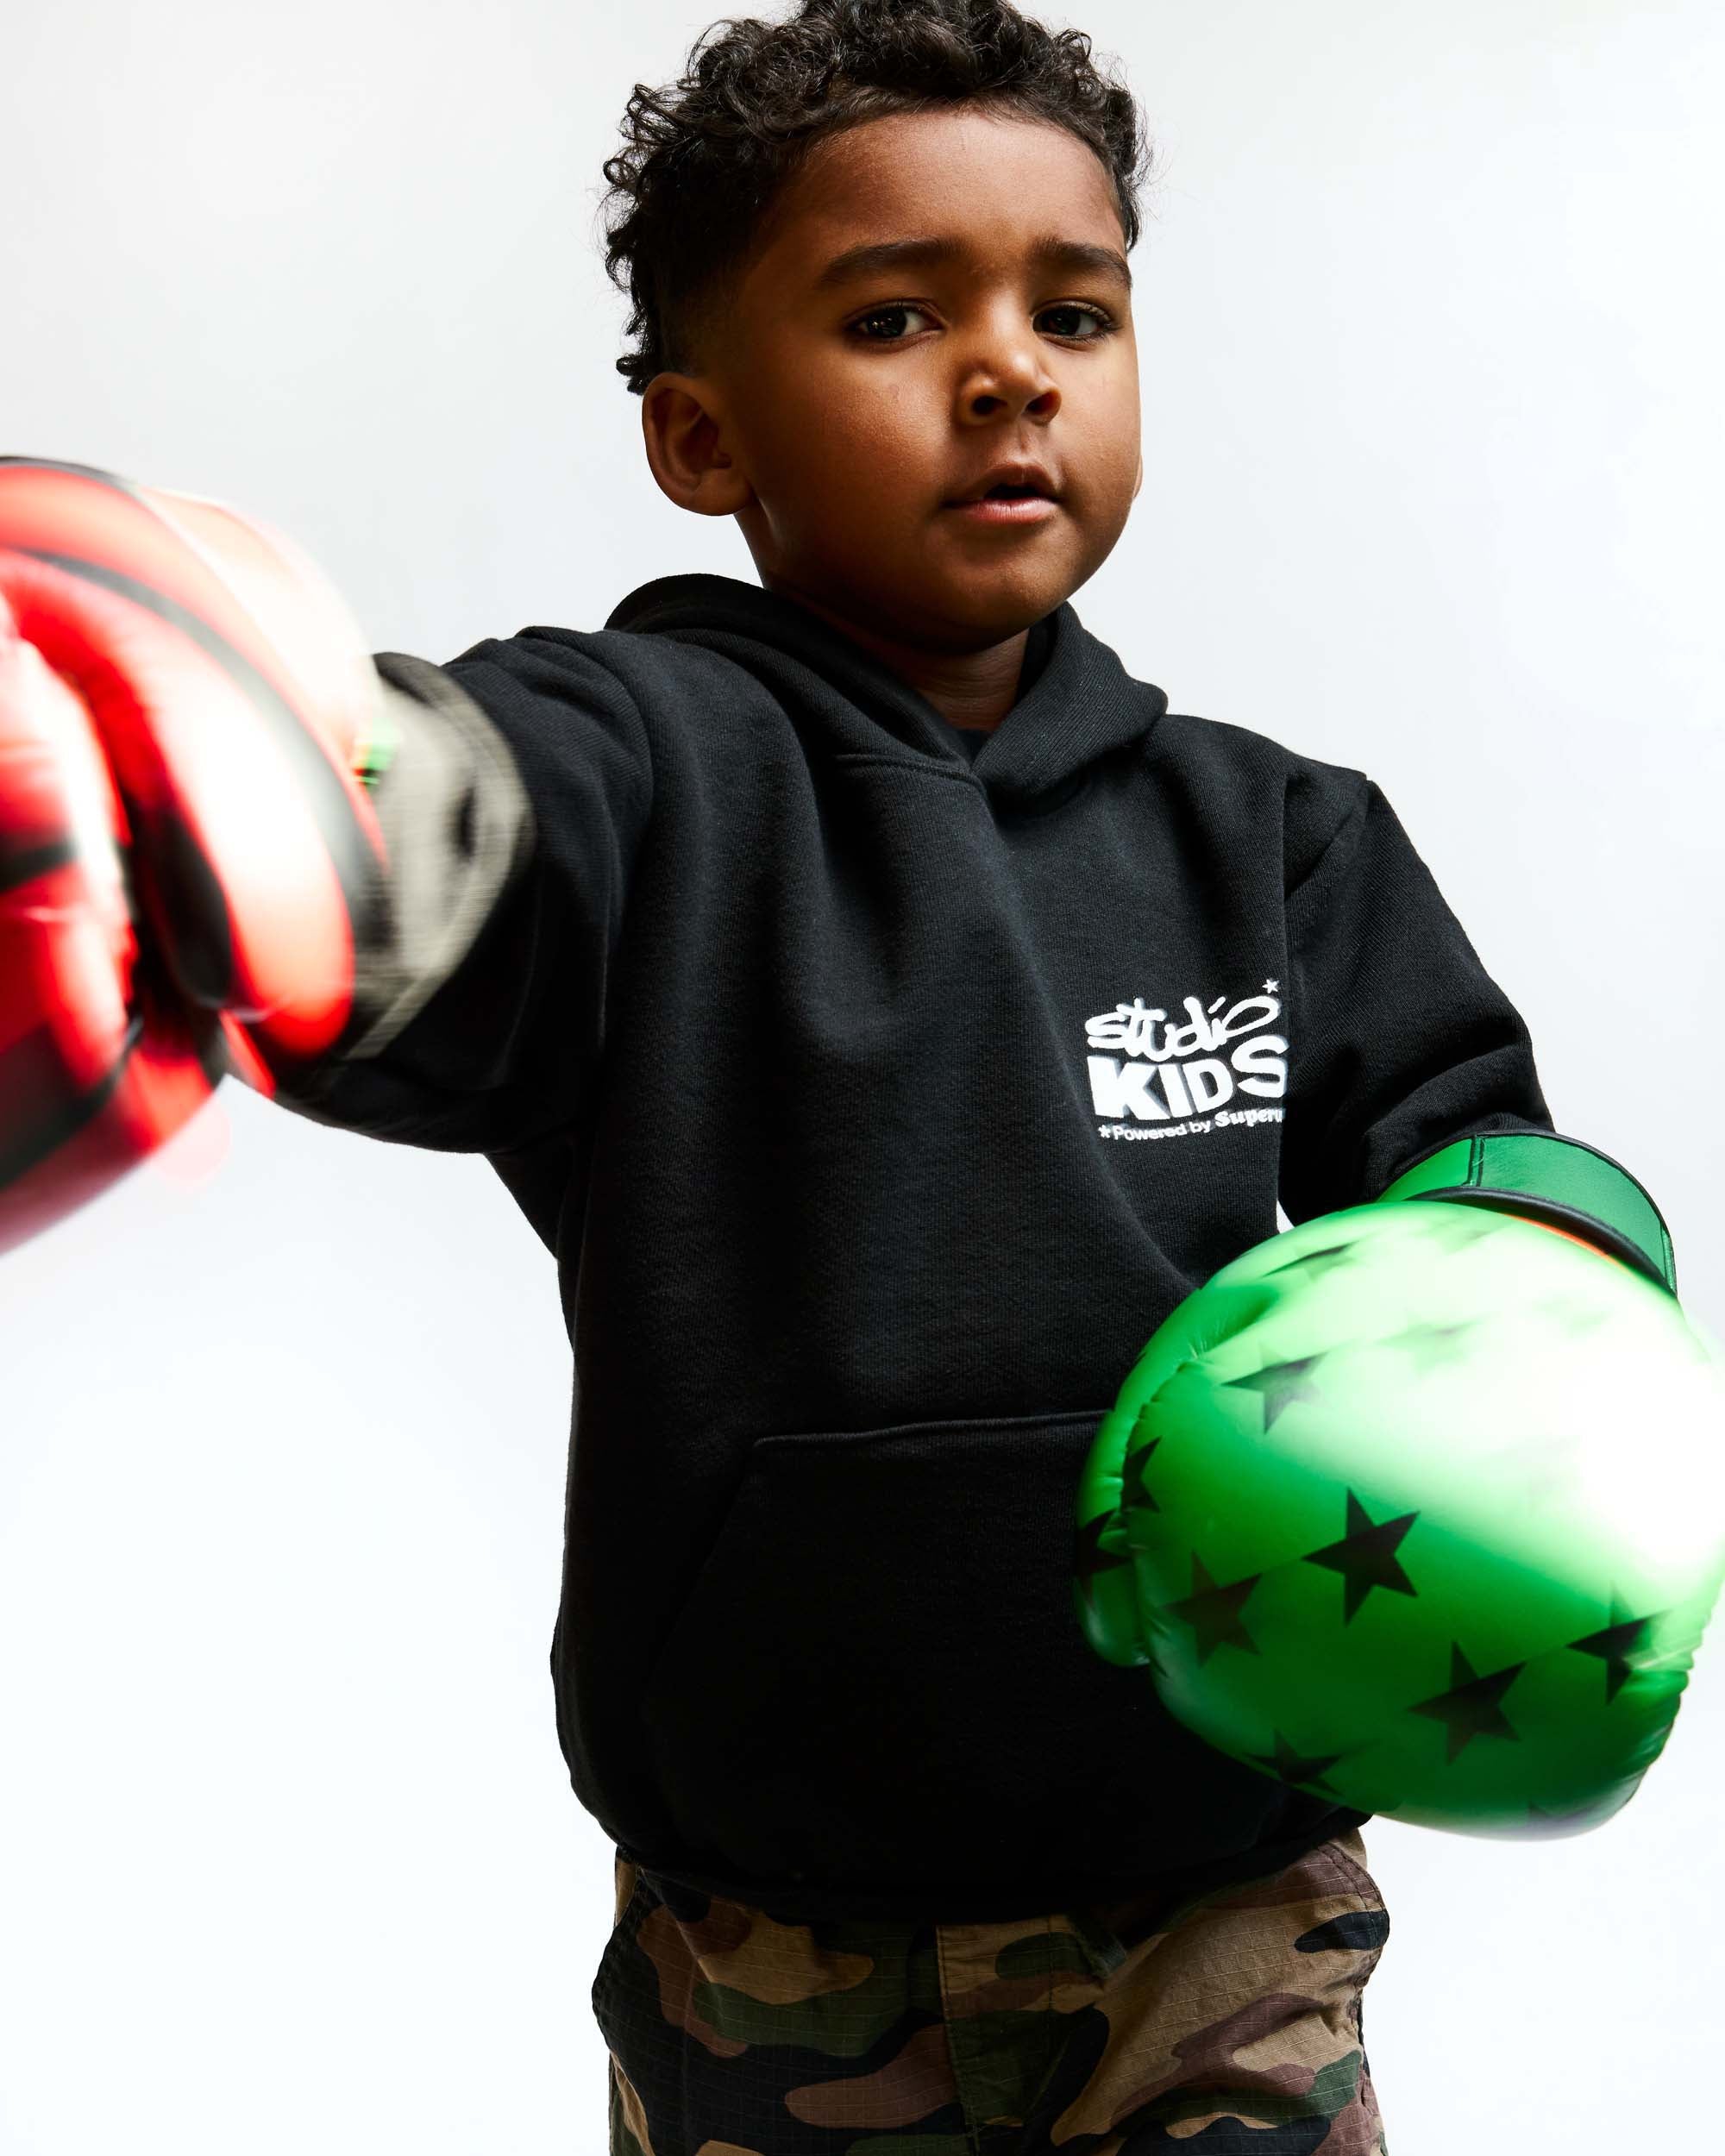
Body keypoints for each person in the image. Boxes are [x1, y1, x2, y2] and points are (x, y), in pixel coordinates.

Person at [0, 3, 1683, 2150]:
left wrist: (1552, 1283)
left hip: (1218, 1892)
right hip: (767, 1925)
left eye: (1073, 309)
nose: (1010, 370)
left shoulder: (1272, 834)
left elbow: (1479, 1166)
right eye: (894, 315)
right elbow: (462, 835)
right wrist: (280, 794)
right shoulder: (638, 763)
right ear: (704, 439)